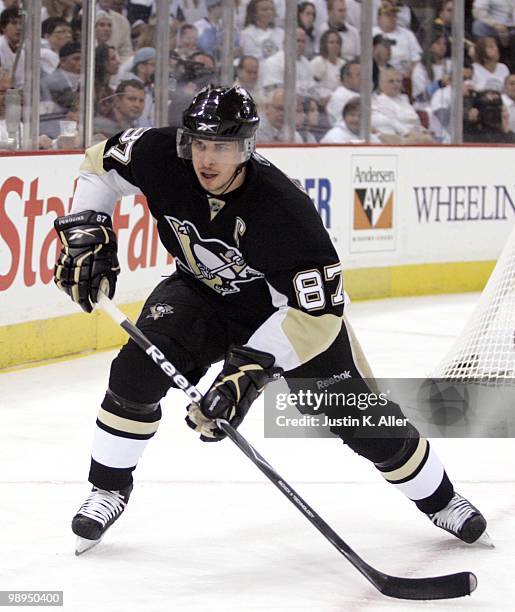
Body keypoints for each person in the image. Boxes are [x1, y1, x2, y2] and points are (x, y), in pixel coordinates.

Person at [52, 85, 487, 554]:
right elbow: (99, 163)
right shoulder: (159, 153)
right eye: (200, 144)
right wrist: (85, 231)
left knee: (360, 418)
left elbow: (318, 315)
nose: (208, 159)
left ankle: (443, 501)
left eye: (222, 147)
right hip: (200, 294)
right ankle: (108, 490)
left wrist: (244, 375)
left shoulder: (284, 210)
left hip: (285, 316)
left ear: (246, 147)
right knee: (135, 372)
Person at [326, 59, 361, 126]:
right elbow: (346, 125)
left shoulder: (364, 93)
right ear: (346, 78)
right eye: (359, 75)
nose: (363, 78)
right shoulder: (339, 97)